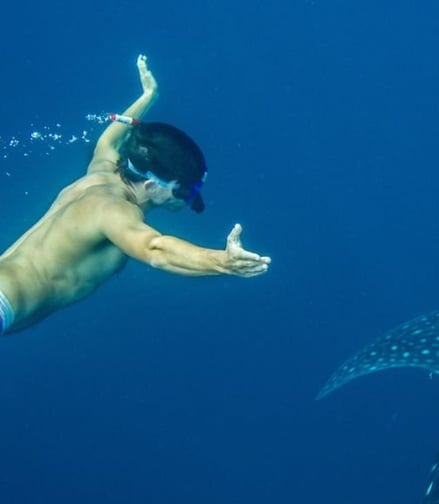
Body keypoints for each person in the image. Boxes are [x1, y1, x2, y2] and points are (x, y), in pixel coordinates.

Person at [0, 55, 271, 335]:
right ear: (153, 186)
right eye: (186, 190)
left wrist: (148, 96)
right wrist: (222, 262)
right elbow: (155, 248)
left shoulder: (101, 171)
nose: (188, 200)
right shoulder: (114, 210)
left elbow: (108, 140)